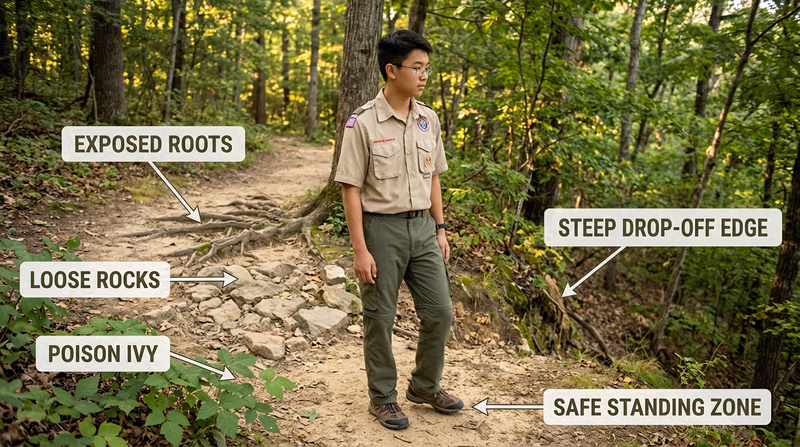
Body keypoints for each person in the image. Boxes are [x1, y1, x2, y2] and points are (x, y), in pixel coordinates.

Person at [333, 29, 463, 430]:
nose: (425, 75)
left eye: (427, 68)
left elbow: (434, 178)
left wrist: (440, 228)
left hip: (423, 228)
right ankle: (383, 398)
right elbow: (350, 188)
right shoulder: (363, 123)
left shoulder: (428, 118)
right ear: (391, 70)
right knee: (380, 317)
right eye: (417, 67)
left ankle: (424, 385)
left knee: (440, 313)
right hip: (381, 231)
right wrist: (360, 249)